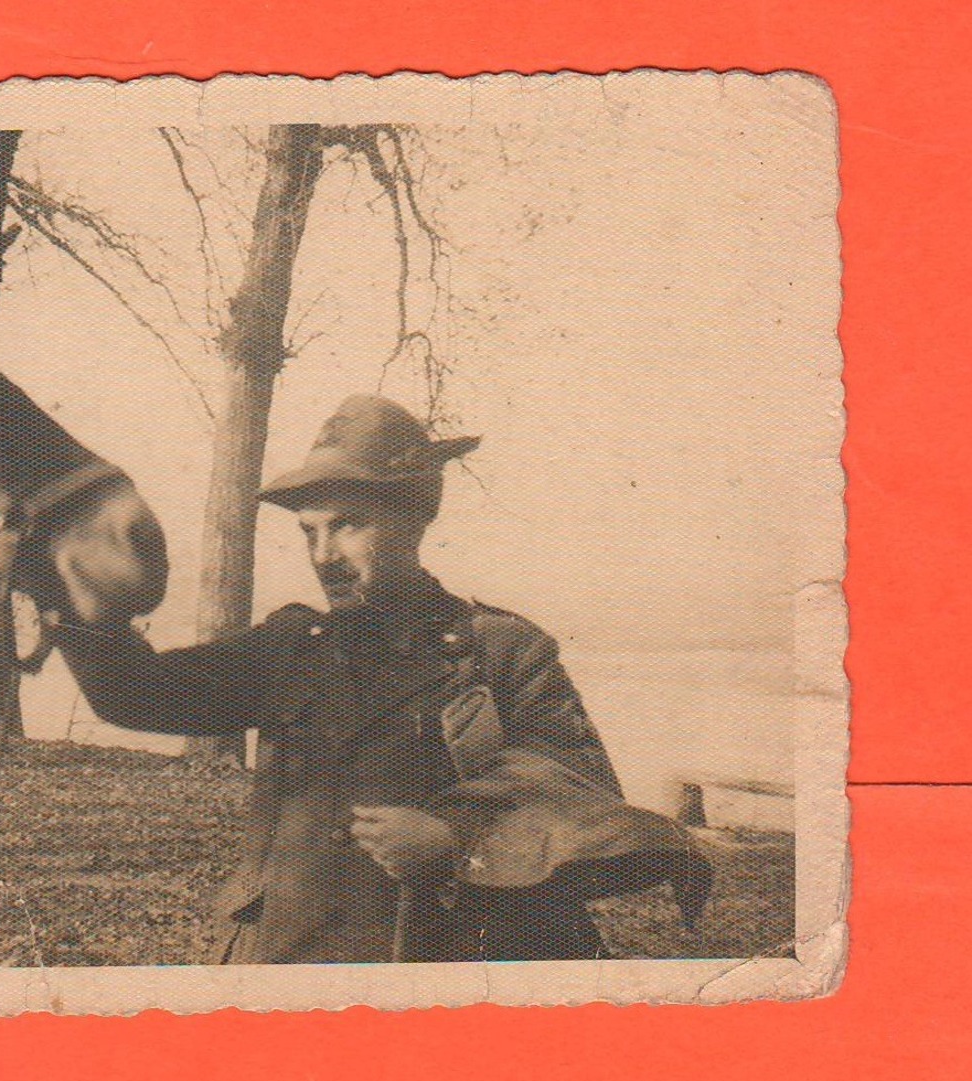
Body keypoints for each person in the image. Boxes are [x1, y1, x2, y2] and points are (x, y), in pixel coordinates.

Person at [48, 395, 711, 964]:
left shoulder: (501, 651)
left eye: (347, 525)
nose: (323, 556)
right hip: (288, 965)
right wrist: (66, 602)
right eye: (310, 532)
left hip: (450, 972)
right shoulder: (290, 645)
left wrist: (457, 843)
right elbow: (136, 694)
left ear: (415, 519)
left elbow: (584, 799)